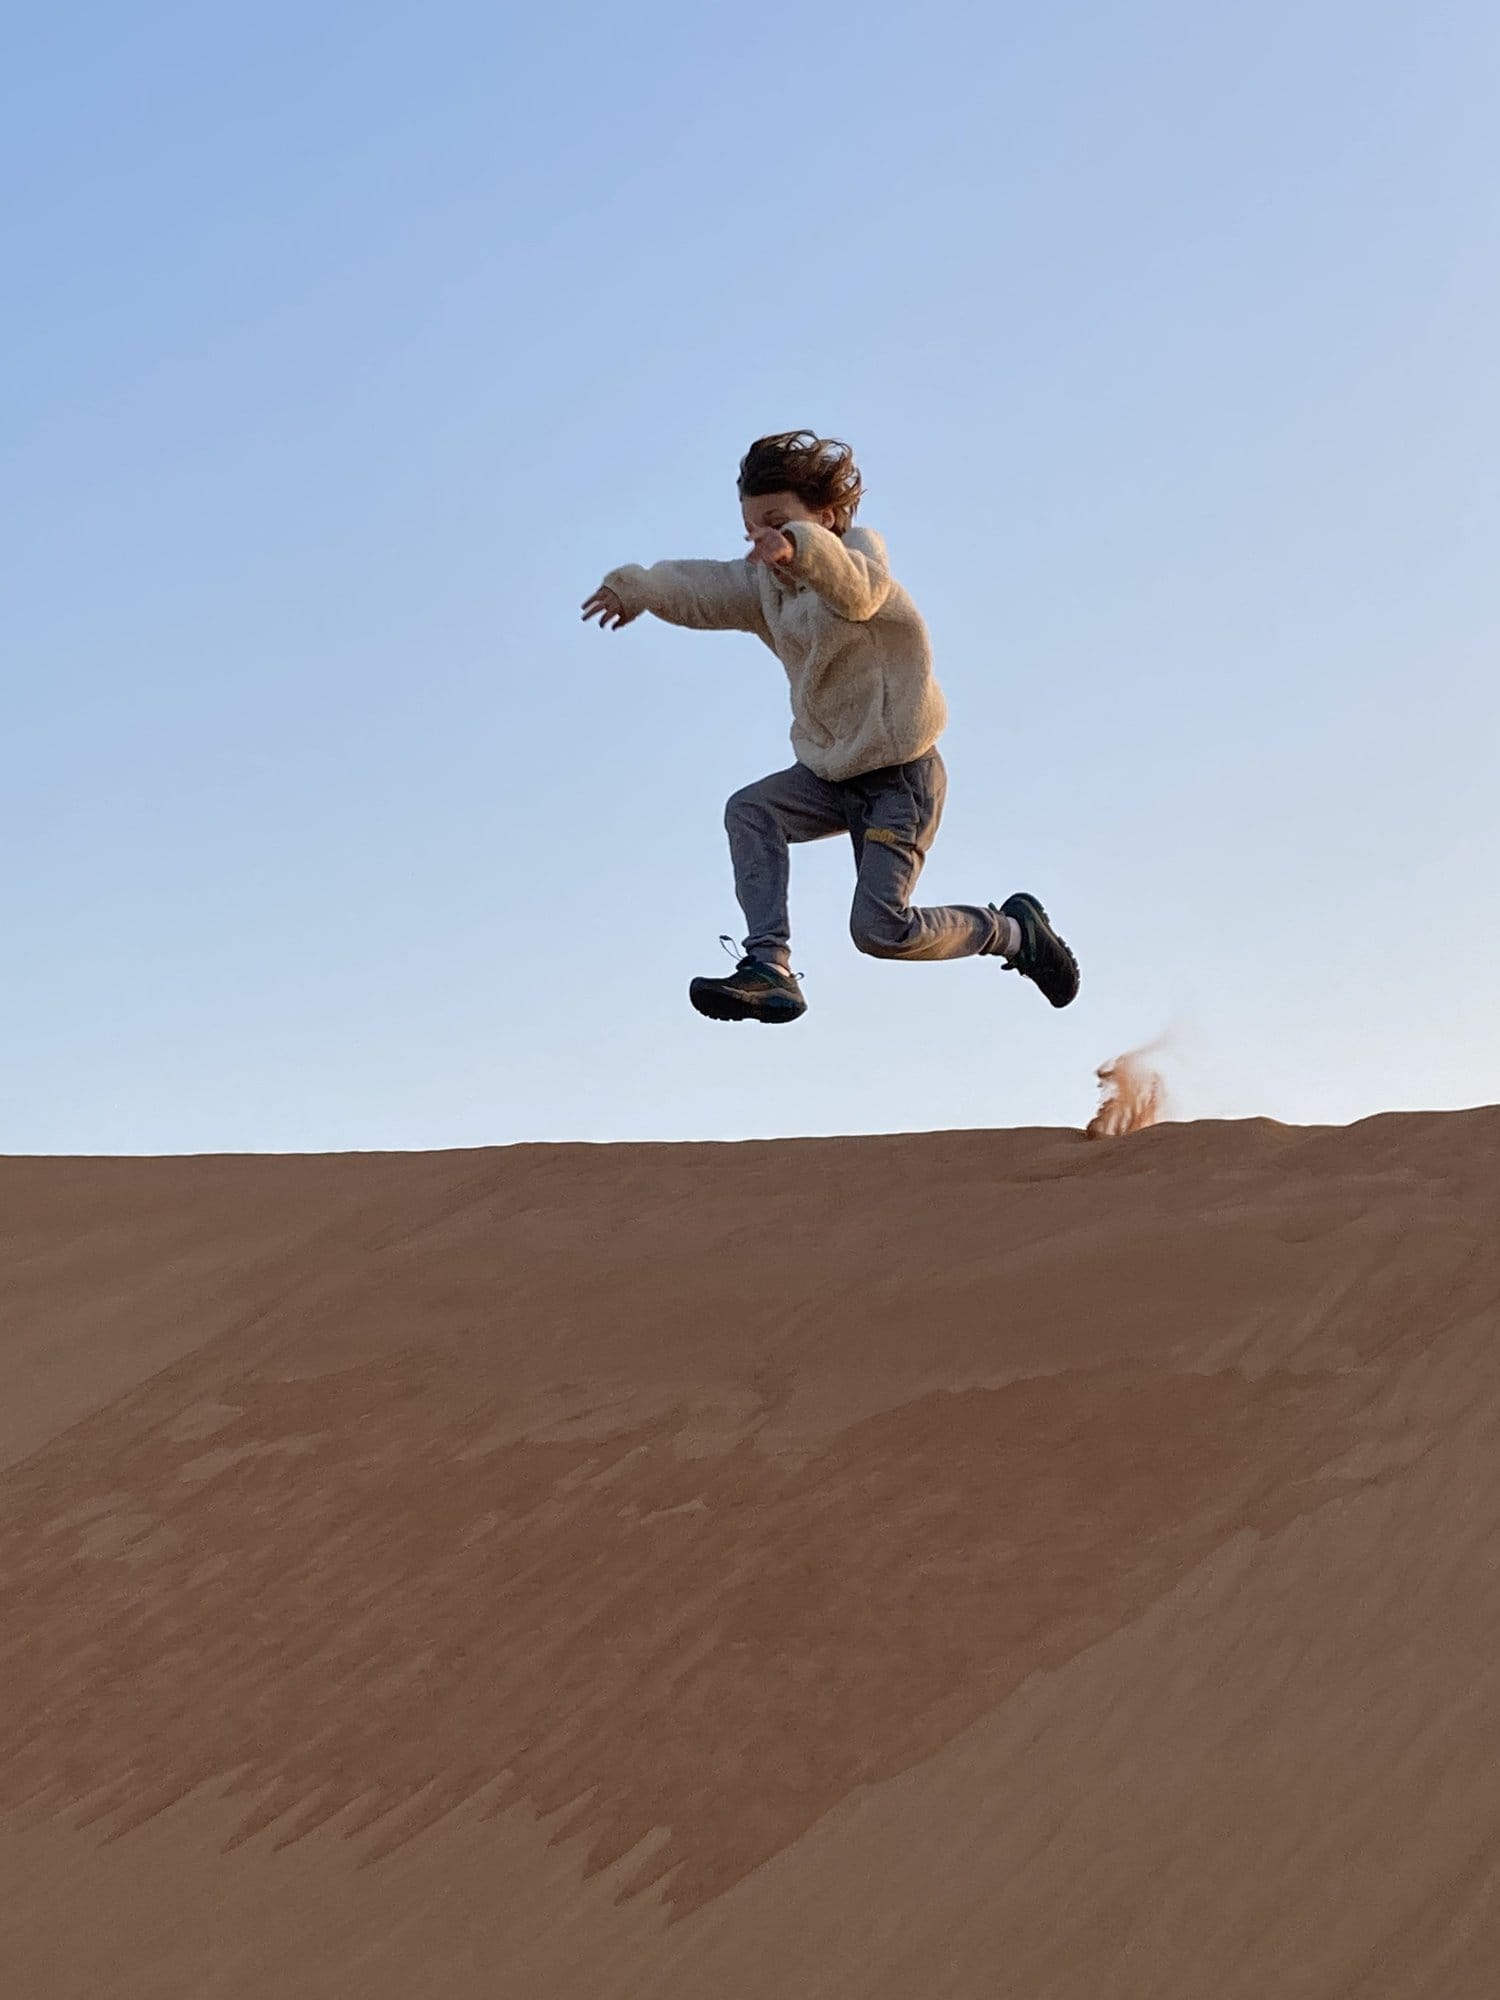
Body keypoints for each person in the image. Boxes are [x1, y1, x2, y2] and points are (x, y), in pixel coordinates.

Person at [582, 430, 1079, 1025]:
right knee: (750, 810)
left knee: (880, 931)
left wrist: (803, 548)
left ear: (827, 516)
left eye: (777, 522)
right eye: (752, 530)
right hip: (829, 774)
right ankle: (770, 968)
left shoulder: (860, 559)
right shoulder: (769, 585)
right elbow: (703, 586)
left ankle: (1013, 932)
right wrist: (637, 588)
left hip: (901, 781)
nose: (764, 541)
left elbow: (858, 590)